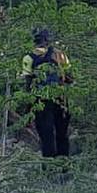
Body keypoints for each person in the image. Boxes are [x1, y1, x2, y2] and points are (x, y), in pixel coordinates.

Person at [23, 27, 73, 158]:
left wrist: (28, 109)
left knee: (47, 136)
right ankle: (64, 166)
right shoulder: (60, 55)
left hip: (41, 100)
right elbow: (70, 78)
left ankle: (49, 169)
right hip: (61, 98)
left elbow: (28, 85)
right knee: (62, 134)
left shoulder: (29, 58)